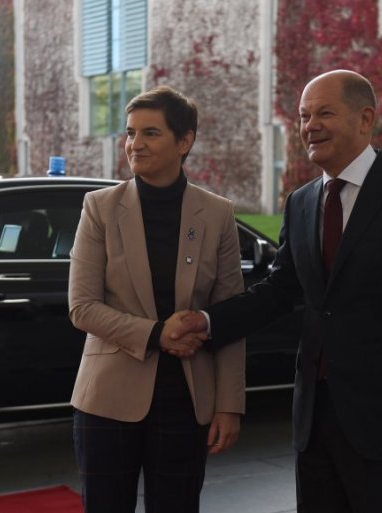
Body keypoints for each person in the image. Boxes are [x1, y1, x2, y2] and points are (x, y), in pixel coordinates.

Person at [171, 70, 382, 512]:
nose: (310, 126)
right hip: (314, 417)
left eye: (324, 113)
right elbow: (280, 289)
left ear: (365, 119)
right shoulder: (302, 202)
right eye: (304, 116)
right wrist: (209, 321)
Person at [67, 85, 245, 513]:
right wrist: (156, 334)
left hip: (187, 398)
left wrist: (229, 405)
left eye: (150, 133)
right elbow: (82, 306)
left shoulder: (217, 213)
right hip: (107, 398)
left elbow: (230, 315)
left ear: (184, 142)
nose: (135, 144)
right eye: (130, 133)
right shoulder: (100, 207)